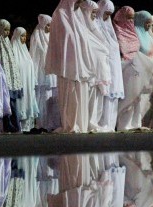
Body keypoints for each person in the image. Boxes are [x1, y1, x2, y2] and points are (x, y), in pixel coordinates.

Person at [45, 0, 95, 133]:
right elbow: (64, 39)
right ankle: (70, 125)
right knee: (70, 95)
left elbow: (84, 38)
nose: (78, 5)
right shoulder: (60, 14)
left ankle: (81, 124)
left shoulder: (77, 15)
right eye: (77, 2)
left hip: (80, 65)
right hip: (67, 66)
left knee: (81, 94)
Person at [113, 6, 153, 131]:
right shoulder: (117, 31)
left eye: (132, 18)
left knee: (136, 99)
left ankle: (134, 123)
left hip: (136, 69)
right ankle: (123, 125)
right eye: (128, 18)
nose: (130, 21)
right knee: (127, 99)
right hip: (124, 68)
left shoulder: (132, 32)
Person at [80, 0, 111, 132]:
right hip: (89, 70)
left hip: (99, 70)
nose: (94, 15)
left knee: (97, 99)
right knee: (89, 99)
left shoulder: (93, 26)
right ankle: (87, 122)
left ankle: (94, 122)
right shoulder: (81, 26)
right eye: (92, 12)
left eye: (95, 12)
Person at [96, 0, 124, 132]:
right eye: (106, 13)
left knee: (113, 96)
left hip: (113, 66)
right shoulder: (95, 25)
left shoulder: (109, 27)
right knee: (104, 95)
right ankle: (102, 124)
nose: (107, 17)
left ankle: (110, 125)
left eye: (109, 14)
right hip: (103, 67)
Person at [0, 19, 23, 133]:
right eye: (5, 30)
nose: (7, 32)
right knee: (5, 102)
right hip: (2, 78)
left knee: (13, 103)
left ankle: (15, 126)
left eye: (8, 30)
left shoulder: (7, 41)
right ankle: (7, 125)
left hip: (12, 78)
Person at [30, 14, 59, 132]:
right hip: (42, 73)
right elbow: (34, 56)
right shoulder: (36, 36)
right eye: (47, 25)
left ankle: (52, 123)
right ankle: (43, 123)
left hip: (52, 73)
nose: (49, 28)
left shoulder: (51, 37)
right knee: (42, 98)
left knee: (52, 98)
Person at [11, 27, 39, 132]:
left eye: (25, 36)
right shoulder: (13, 51)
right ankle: (19, 126)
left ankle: (28, 126)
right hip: (19, 83)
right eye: (22, 36)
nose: (24, 38)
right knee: (20, 102)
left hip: (28, 84)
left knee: (28, 100)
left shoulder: (25, 51)